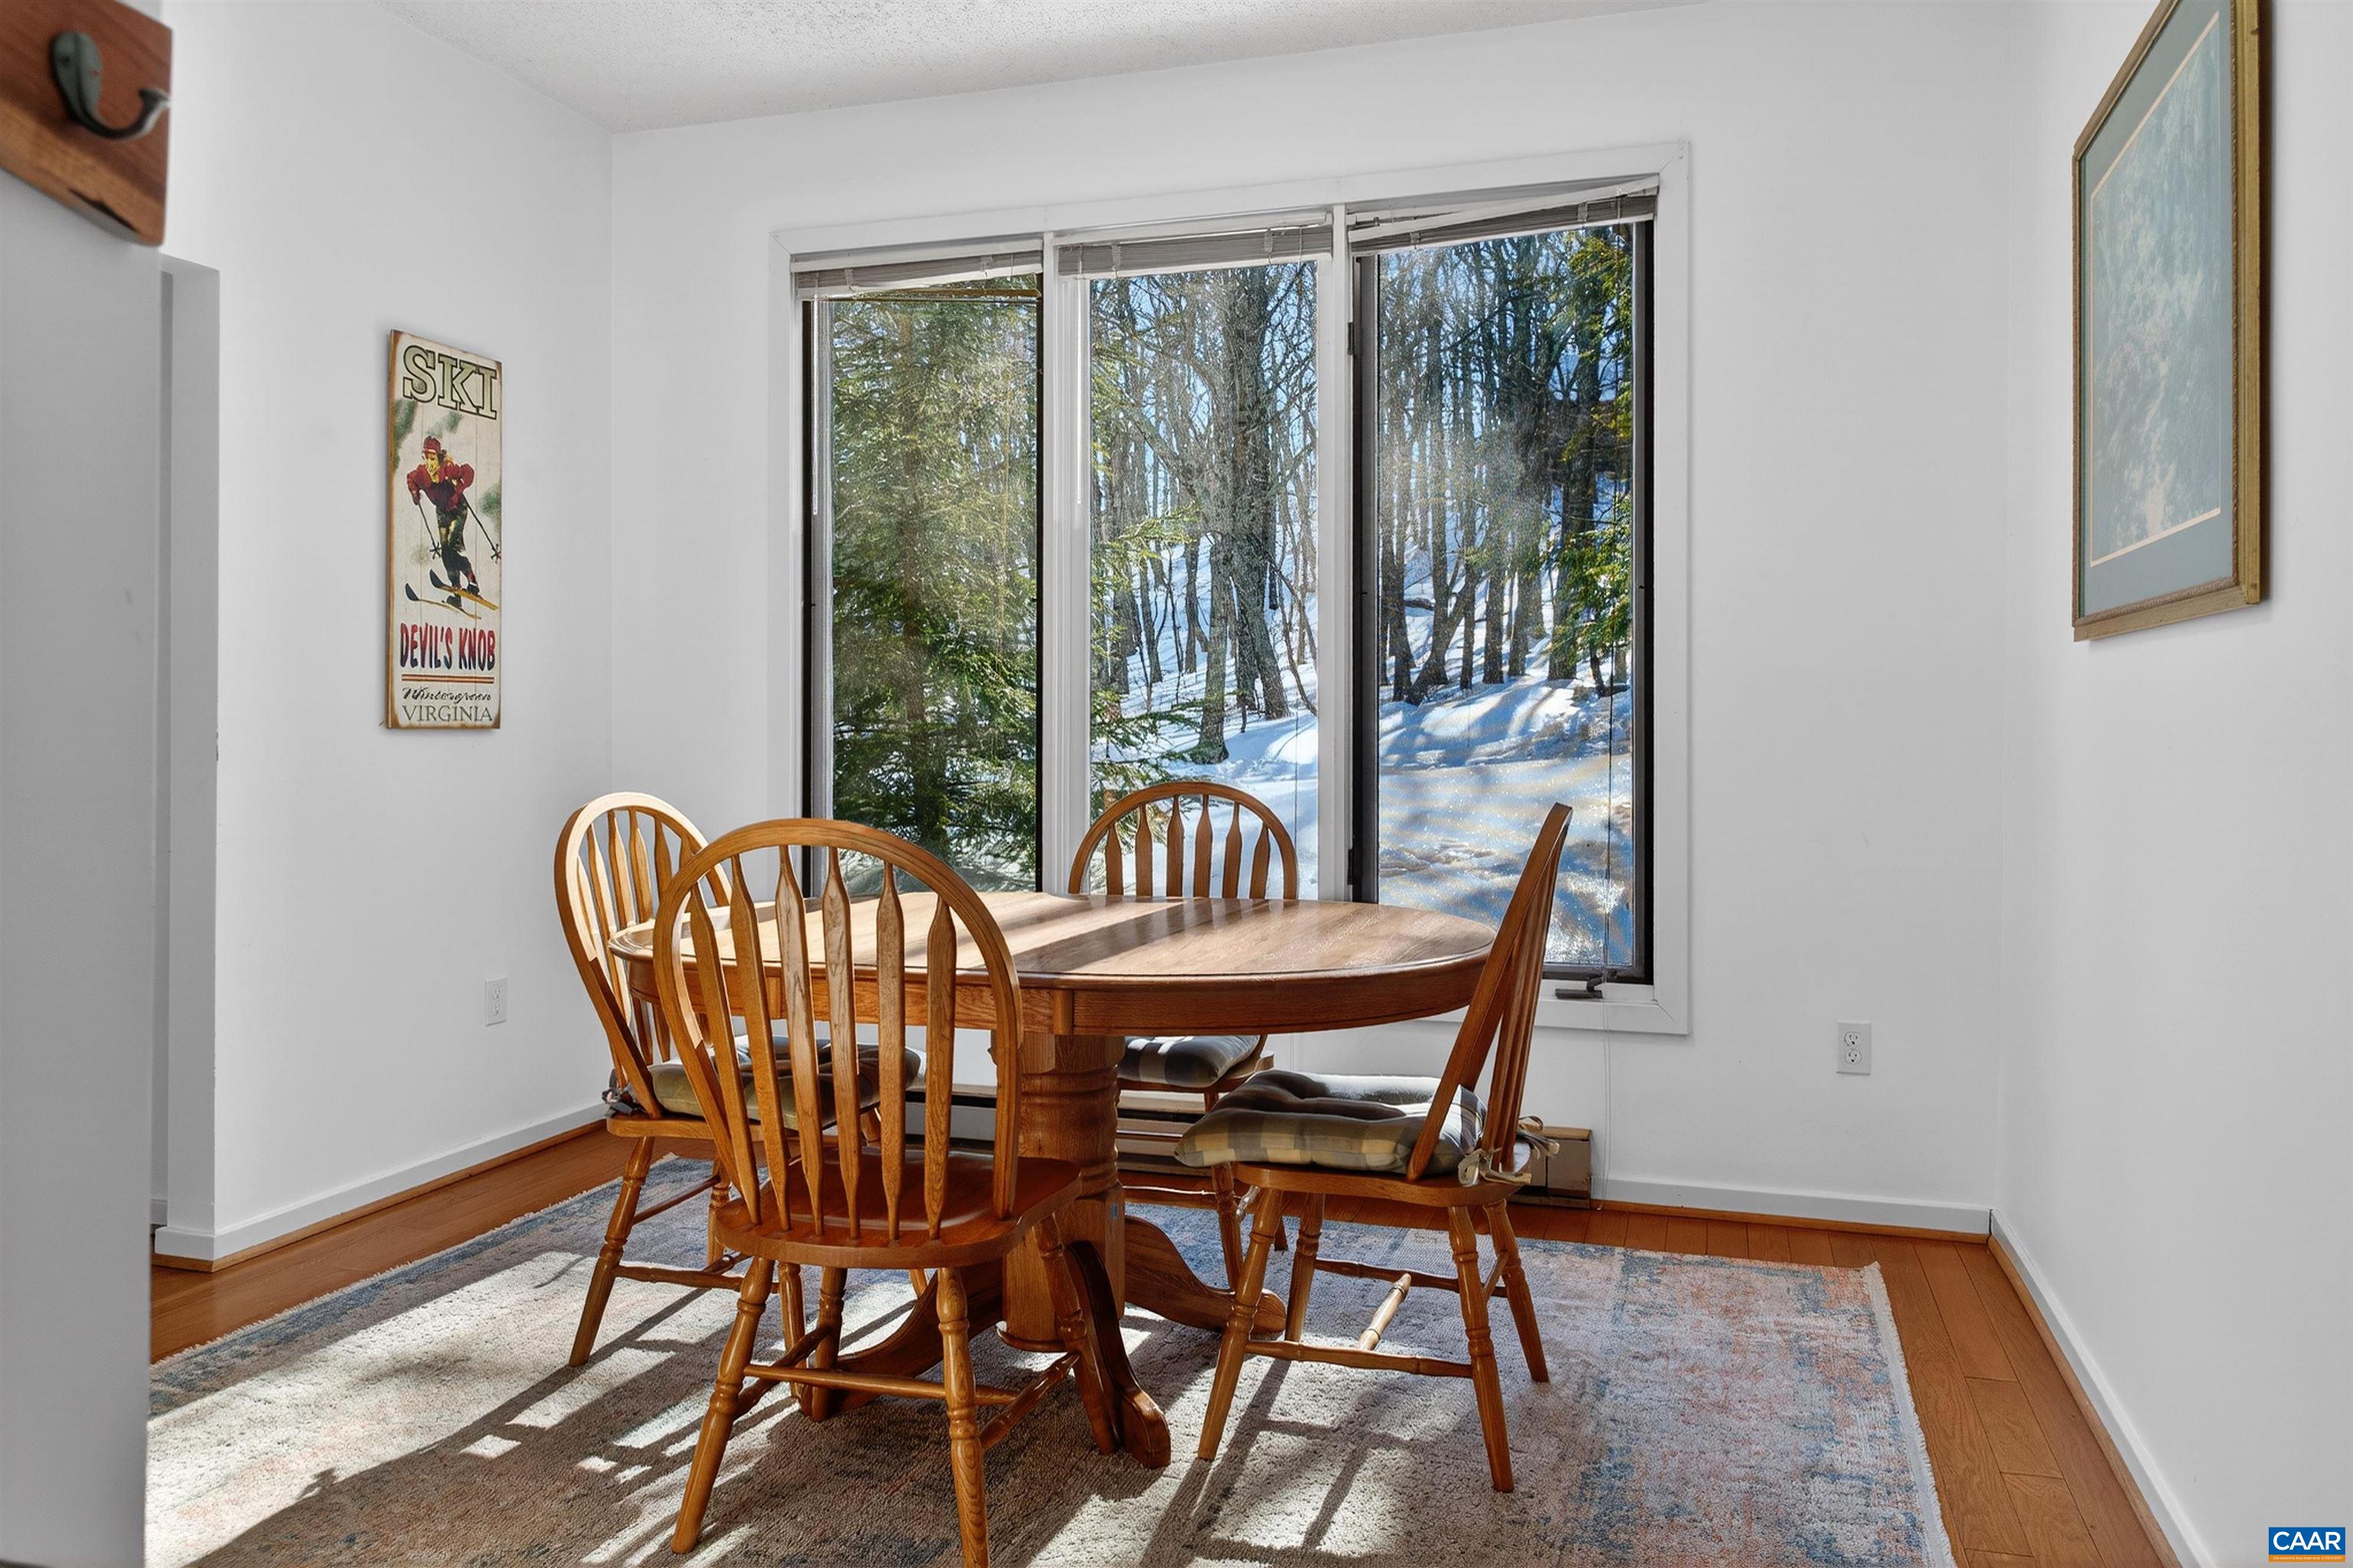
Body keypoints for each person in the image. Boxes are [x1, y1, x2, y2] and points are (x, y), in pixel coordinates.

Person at [405, 436, 480, 603]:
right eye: (426, 458)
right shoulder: (421, 473)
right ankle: (457, 594)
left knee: (451, 547)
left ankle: (472, 581)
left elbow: (469, 472)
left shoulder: (448, 468)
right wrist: (415, 494)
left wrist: (458, 491)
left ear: (438, 458)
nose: (429, 463)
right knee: (446, 554)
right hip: (442, 514)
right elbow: (411, 479)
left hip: (457, 510)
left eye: (432, 459)